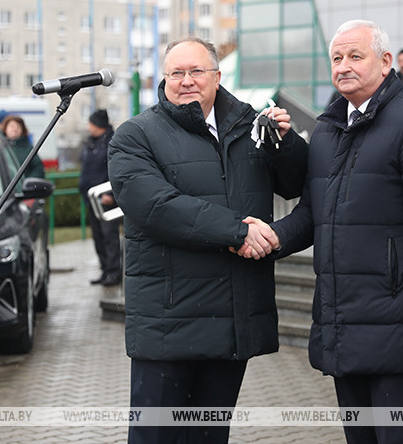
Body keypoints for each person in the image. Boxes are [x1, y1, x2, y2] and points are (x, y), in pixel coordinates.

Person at [241, 19, 403, 444]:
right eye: (337, 58)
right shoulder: (328, 129)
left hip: (399, 324)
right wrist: (271, 236)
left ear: (384, 63)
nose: (343, 66)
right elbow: (313, 212)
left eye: (354, 56)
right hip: (345, 324)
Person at [106, 37, 308, 444]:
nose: (186, 81)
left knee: (209, 436)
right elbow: (156, 207)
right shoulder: (135, 135)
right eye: (175, 73)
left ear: (217, 76)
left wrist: (286, 144)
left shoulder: (251, 126)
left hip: (231, 320)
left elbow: (297, 184)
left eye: (196, 71)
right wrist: (239, 232)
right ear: (163, 80)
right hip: (168, 322)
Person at [79, 109, 122, 287]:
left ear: (99, 125)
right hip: (91, 198)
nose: (89, 127)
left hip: (105, 199)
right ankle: (105, 270)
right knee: (98, 236)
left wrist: (110, 194)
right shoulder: (91, 143)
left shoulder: (112, 142)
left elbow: (116, 171)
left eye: (91, 123)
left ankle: (114, 272)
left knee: (109, 236)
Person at [1, 115, 45, 179]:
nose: (15, 129)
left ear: (23, 130)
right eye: (12, 126)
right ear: (5, 129)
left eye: (18, 127)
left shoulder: (28, 149)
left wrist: (27, 182)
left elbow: (38, 169)